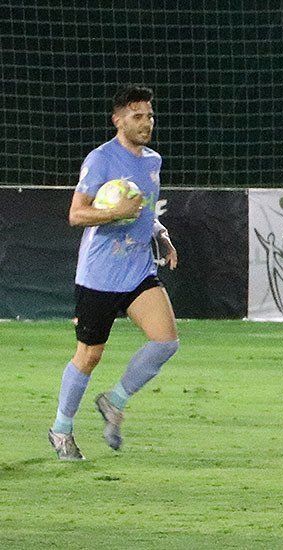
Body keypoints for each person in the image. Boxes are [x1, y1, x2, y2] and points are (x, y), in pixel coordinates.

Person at [49, 85, 180, 460]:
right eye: (137, 116)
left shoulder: (152, 161)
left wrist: (162, 235)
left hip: (138, 270)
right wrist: (114, 213)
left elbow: (147, 211)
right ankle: (61, 430)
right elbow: (77, 214)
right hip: (99, 275)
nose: (147, 123)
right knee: (89, 356)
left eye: (150, 116)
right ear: (118, 119)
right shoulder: (101, 159)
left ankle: (114, 400)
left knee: (166, 342)